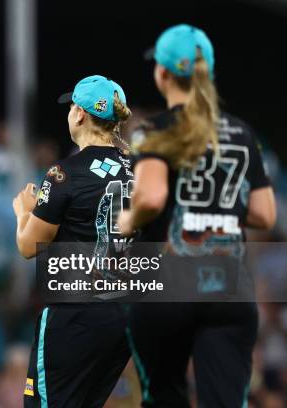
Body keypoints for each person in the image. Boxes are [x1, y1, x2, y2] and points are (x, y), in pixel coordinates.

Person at [117, 24, 276, 407]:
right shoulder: (240, 132)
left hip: (169, 287)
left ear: (163, 73)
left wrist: (127, 219)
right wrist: (216, 214)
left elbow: (152, 198)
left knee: (163, 397)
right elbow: (264, 214)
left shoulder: (153, 131)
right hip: (228, 288)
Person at [13, 75, 133, 407]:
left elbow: (28, 246)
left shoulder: (65, 173)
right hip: (124, 315)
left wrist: (22, 212)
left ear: (79, 114)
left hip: (75, 313)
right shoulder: (139, 170)